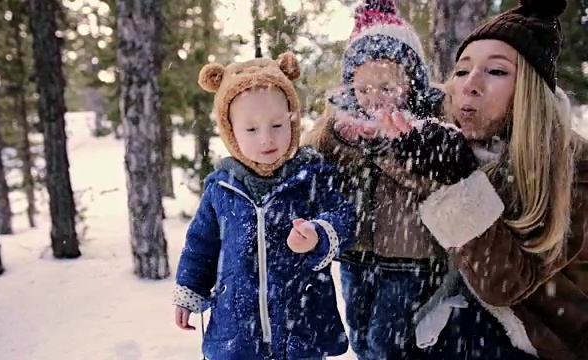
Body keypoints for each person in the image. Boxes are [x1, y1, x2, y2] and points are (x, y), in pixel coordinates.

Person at [370, 0, 588, 359]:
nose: (470, 85)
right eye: (461, 71)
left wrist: (459, 183)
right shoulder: (457, 146)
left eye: (497, 72)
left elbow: (505, 286)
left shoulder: (575, 171)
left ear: (530, 92)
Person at [172, 52, 357, 360]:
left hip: (301, 326)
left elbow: (345, 218)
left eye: (276, 125)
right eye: (251, 129)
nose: (267, 139)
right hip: (237, 331)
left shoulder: (311, 175)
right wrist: (189, 291)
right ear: (230, 132)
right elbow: (201, 246)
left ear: (292, 119)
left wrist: (318, 233)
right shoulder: (221, 187)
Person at [302, 1, 446, 359]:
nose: (373, 99)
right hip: (356, 253)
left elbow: (433, 183)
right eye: (363, 89)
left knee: (388, 343)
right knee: (361, 337)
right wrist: (340, 138)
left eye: (386, 88)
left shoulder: (427, 130)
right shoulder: (341, 123)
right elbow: (307, 158)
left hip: (409, 256)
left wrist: (386, 150)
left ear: (411, 84)